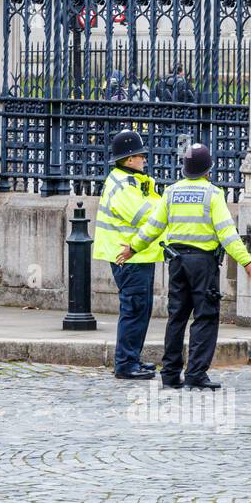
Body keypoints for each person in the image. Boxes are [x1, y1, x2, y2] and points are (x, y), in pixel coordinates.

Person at [121, 143, 251, 389]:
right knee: (205, 317)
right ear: (208, 170)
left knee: (177, 317)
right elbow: (227, 233)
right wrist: (245, 260)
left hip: (176, 263)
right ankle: (195, 373)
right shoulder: (213, 194)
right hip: (203, 265)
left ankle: (170, 375)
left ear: (184, 169)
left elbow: (153, 226)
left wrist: (133, 247)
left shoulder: (171, 192)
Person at [93, 129, 162, 380]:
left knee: (141, 309)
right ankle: (125, 364)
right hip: (128, 256)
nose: (145, 159)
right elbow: (144, 214)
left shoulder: (133, 181)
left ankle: (132, 359)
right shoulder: (122, 184)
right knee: (134, 310)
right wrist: (166, 208)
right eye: (141, 155)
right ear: (130, 159)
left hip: (139, 255)